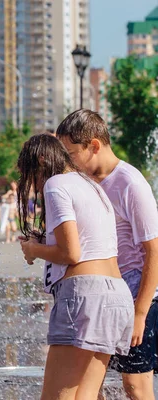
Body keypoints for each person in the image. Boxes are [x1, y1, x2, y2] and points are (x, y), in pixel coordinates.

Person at [17, 134, 134, 399]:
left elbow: (71, 253)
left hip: (84, 296)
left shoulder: (56, 184)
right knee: (86, 396)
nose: (34, 184)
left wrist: (33, 249)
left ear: (43, 161)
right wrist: (43, 240)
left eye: (31, 175)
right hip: (116, 295)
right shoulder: (90, 184)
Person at [56, 109, 158, 399]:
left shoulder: (130, 183)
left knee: (135, 386)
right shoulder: (84, 181)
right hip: (102, 295)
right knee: (90, 381)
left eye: (71, 153)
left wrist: (140, 312)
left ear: (95, 146)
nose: (68, 161)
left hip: (138, 295)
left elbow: (154, 251)